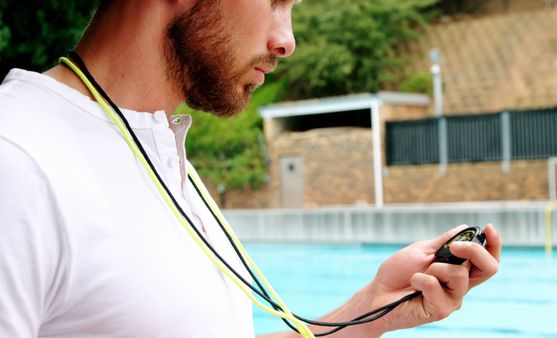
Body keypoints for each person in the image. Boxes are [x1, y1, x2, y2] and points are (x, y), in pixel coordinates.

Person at [0, 1, 502, 337]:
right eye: (275, 0)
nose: (287, 41)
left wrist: (372, 308)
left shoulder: (161, 154)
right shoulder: (18, 161)